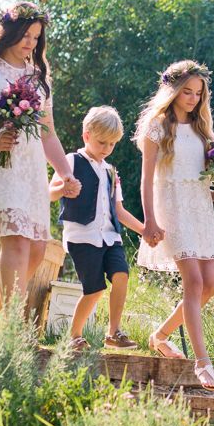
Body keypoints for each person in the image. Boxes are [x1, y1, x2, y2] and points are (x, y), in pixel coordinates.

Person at [0, 1, 81, 318]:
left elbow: (47, 133)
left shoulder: (38, 78)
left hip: (29, 168)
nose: (30, 43)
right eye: (25, 35)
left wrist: (65, 172)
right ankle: (15, 333)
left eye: (36, 38)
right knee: (17, 245)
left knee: (36, 250)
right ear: (9, 32)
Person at [133, 59, 214, 391]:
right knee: (193, 282)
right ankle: (203, 363)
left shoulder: (204, 130)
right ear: (172, 91)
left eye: (198, 93)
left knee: (211, 285)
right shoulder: (157, 126)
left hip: (201, 209)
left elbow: (205, 177)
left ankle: (160, 335)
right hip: (172, 208)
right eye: (186, 91)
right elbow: (146, 180)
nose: (192, 98)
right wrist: (150, 220)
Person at [49, 106, 144, 351]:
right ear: (87, 135)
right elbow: (49, 194)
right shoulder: (70, 161)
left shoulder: (111, 171)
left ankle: (113, 332)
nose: (106, 149)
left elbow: (119, 211)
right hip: (82, 236)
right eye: (102, 142)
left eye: (112, 145)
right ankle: (74, 336)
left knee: (121, 275)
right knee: (94, 289)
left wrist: (145, 231)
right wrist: (63, 189)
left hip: (110, 236)